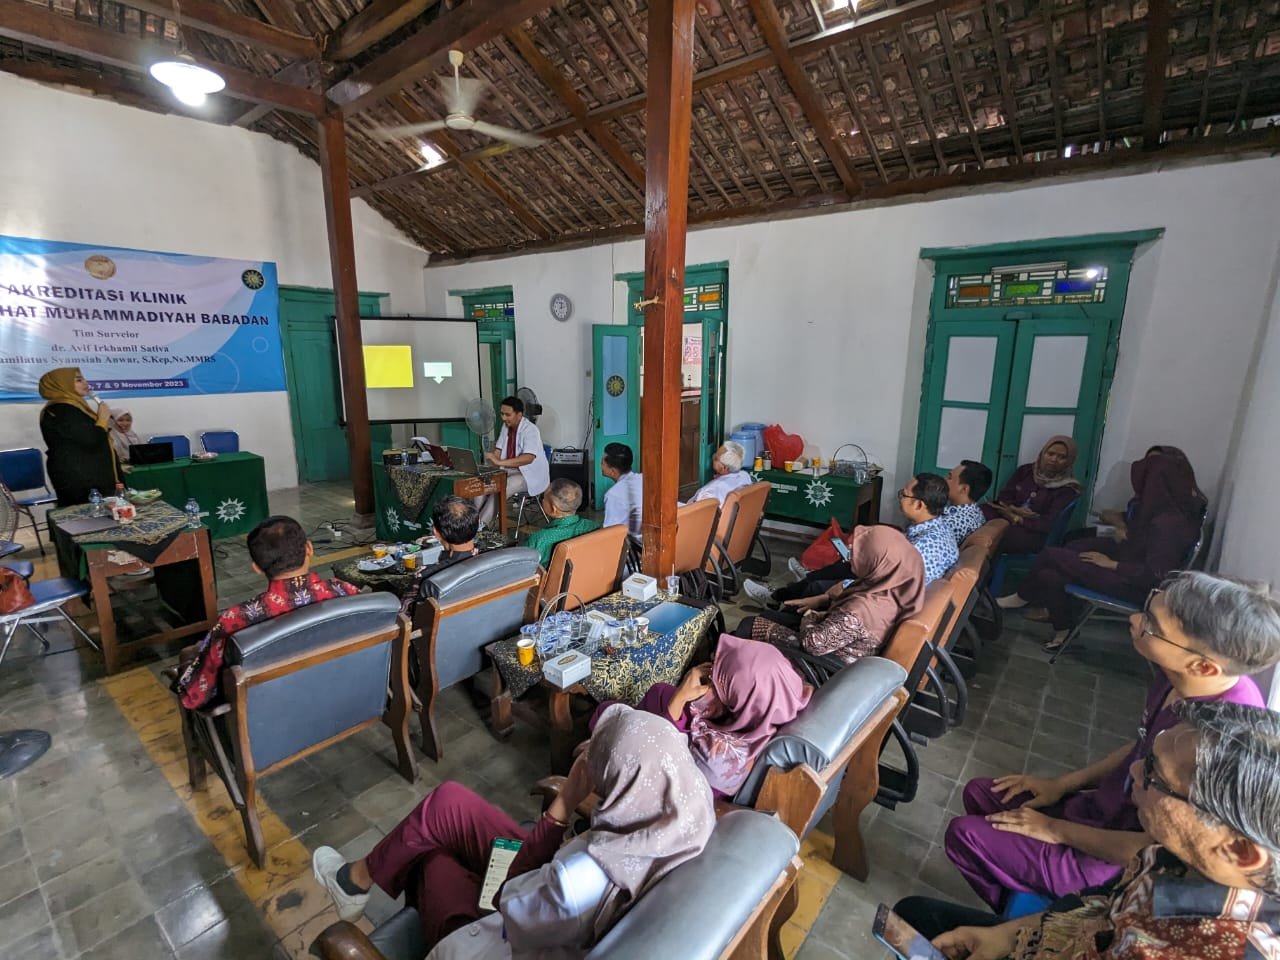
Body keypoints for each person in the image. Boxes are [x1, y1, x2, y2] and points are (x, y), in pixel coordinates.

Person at [945, 572, 1280, 909]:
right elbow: (1141, 745)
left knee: (965, 834)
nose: (1135, 620)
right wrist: (1061, 784)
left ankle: (1038, 914)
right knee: (983, 793)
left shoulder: (1223, 737)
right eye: (1146, 609)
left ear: (1203, 666)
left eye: (1151, 626)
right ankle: (1021, 880)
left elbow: (1158, 849)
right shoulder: (1177, 679)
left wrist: (1055, 829)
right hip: (1101, 811)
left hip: (1114, 856)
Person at [312, 705, 715, 957]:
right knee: (448, 802)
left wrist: (567, 799)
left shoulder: (582, 878)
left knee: (431, 859)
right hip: (548, 903)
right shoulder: (691, 814)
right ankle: (354, 881)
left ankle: (367, 889)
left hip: (503, 935)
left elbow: (507, 899)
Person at [895, 701, 1280, 960]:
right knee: (914, 918)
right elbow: (1101, 905)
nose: (1133, 773)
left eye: (1154, 776)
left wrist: (1057, 829)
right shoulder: (1170, 853)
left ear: (1240, 851)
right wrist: (1007, 936)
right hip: (1069, 936)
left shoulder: (1214, 948)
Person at [998, 447, 1205, 650]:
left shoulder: (1169, 523)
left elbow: (1156, 576)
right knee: (1049, 574)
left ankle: (1022, 597)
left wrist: (1112, 564)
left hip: (1137, 587)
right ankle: (1064, 629)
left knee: (1051, 555)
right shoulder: (1166, 507)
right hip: (1131, 566)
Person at [174, 516, 358, 709]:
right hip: (339, 691)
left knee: (189, 655)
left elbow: (196, 695)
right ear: (309, 549)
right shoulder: (344, 591)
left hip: (271, 709)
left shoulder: (236, 619)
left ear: (257, 568)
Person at [597, 634, 812, 799]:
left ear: (743, 703)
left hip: (662, 779)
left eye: (721, 685)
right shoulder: (778, 702)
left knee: (608, 711)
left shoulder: (717, 765)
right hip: (700, 739)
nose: (712, 680)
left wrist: (679, 699)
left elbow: (658, 757)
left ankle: (594, 741)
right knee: (660, 691)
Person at [733, 525, 925, 668]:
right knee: (771, 617)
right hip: (841, 645)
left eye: (862, 554)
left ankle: (726, 676)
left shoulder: (862, 609)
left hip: (827, 667)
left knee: (749, 625)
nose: (853, 557)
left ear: (878, 562)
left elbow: (813, 644)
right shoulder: (895, 586)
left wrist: (810, 616)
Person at [982, 436, 1082, 555]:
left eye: (1062, 457)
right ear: (1043, 453)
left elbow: (1049, 524)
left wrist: (1018, 518)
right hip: (1007, 514)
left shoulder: (1067, 489)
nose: (1054, 459)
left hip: (1033, 532)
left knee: (998, 535)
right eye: (1050, 454)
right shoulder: (1025, 471)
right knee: (980, 513)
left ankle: (982, 568)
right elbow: (1004, 496)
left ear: (1070, 461)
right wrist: (1014, 509)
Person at [37, 366, 117, 506]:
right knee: (85, 522)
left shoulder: (74, 407)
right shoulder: (62, 410)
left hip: (87, 472)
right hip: (78, 476)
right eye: (79, 380)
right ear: (61, 384)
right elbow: (89, 439)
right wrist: (103, 419)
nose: (86, 383)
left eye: (84, 379)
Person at [403, 496, 483, 615]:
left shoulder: (425, 577)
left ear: (436, 532)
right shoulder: (493, 558)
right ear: (478, 522)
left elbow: (404, 616)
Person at [478, 396, 549, 527]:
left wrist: (499, 463)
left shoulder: (531, 430)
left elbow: (528, 458)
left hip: (530, 475)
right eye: (502, 414)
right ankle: (469, 522)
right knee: (480, 487)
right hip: (509, 471)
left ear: (519, 414)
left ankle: (479, 526)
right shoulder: (506, 427)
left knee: (501, 488)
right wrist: (490, 463)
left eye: (508, 414)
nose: (504, 418)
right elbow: (498, 451)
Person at [524, 478, 600, 567]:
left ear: (553, 509)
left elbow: (524, 570)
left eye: (543, 498)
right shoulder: (593, 527)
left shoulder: (538, 539)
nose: (542, 500)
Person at [902, 472, 959, 583]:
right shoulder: (943, 527)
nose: (900, 499)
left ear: (919, 505)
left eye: (904, 495)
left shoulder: (919, 548)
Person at [943, 460, 992, 546]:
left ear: (964, 489)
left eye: (950, 477)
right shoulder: (975, 512)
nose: (944, 479)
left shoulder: (952, 523)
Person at [688, 441, 752, 506]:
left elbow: (697, 513)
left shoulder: (709, 491)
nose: (712, 457)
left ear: (724, 468)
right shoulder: (745, 476)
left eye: (716, 458)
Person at [601, 442, 642, 539]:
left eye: (602, 463)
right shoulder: (644, 478)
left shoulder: (613, 495)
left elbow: (610, 533)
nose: (601, 467)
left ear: (613, 471)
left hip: (637, 546)